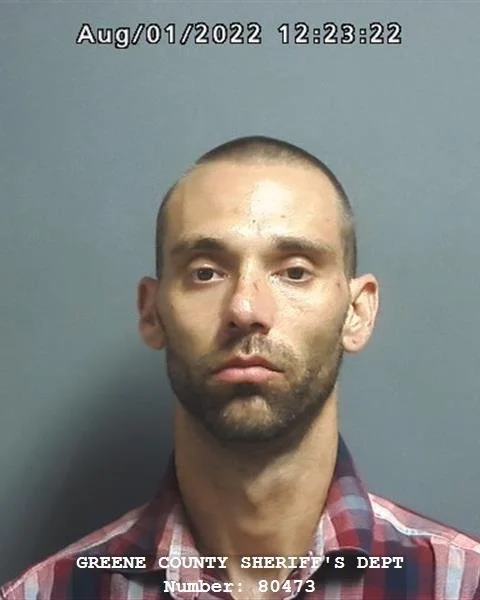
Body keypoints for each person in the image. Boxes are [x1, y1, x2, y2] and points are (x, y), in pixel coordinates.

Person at [2, 135, 479, 600]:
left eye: (295, 271)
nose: (246, 308)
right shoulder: (45, 594)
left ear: (357, 312)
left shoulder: (461, 586)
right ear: (152, 312)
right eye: (205, 273)